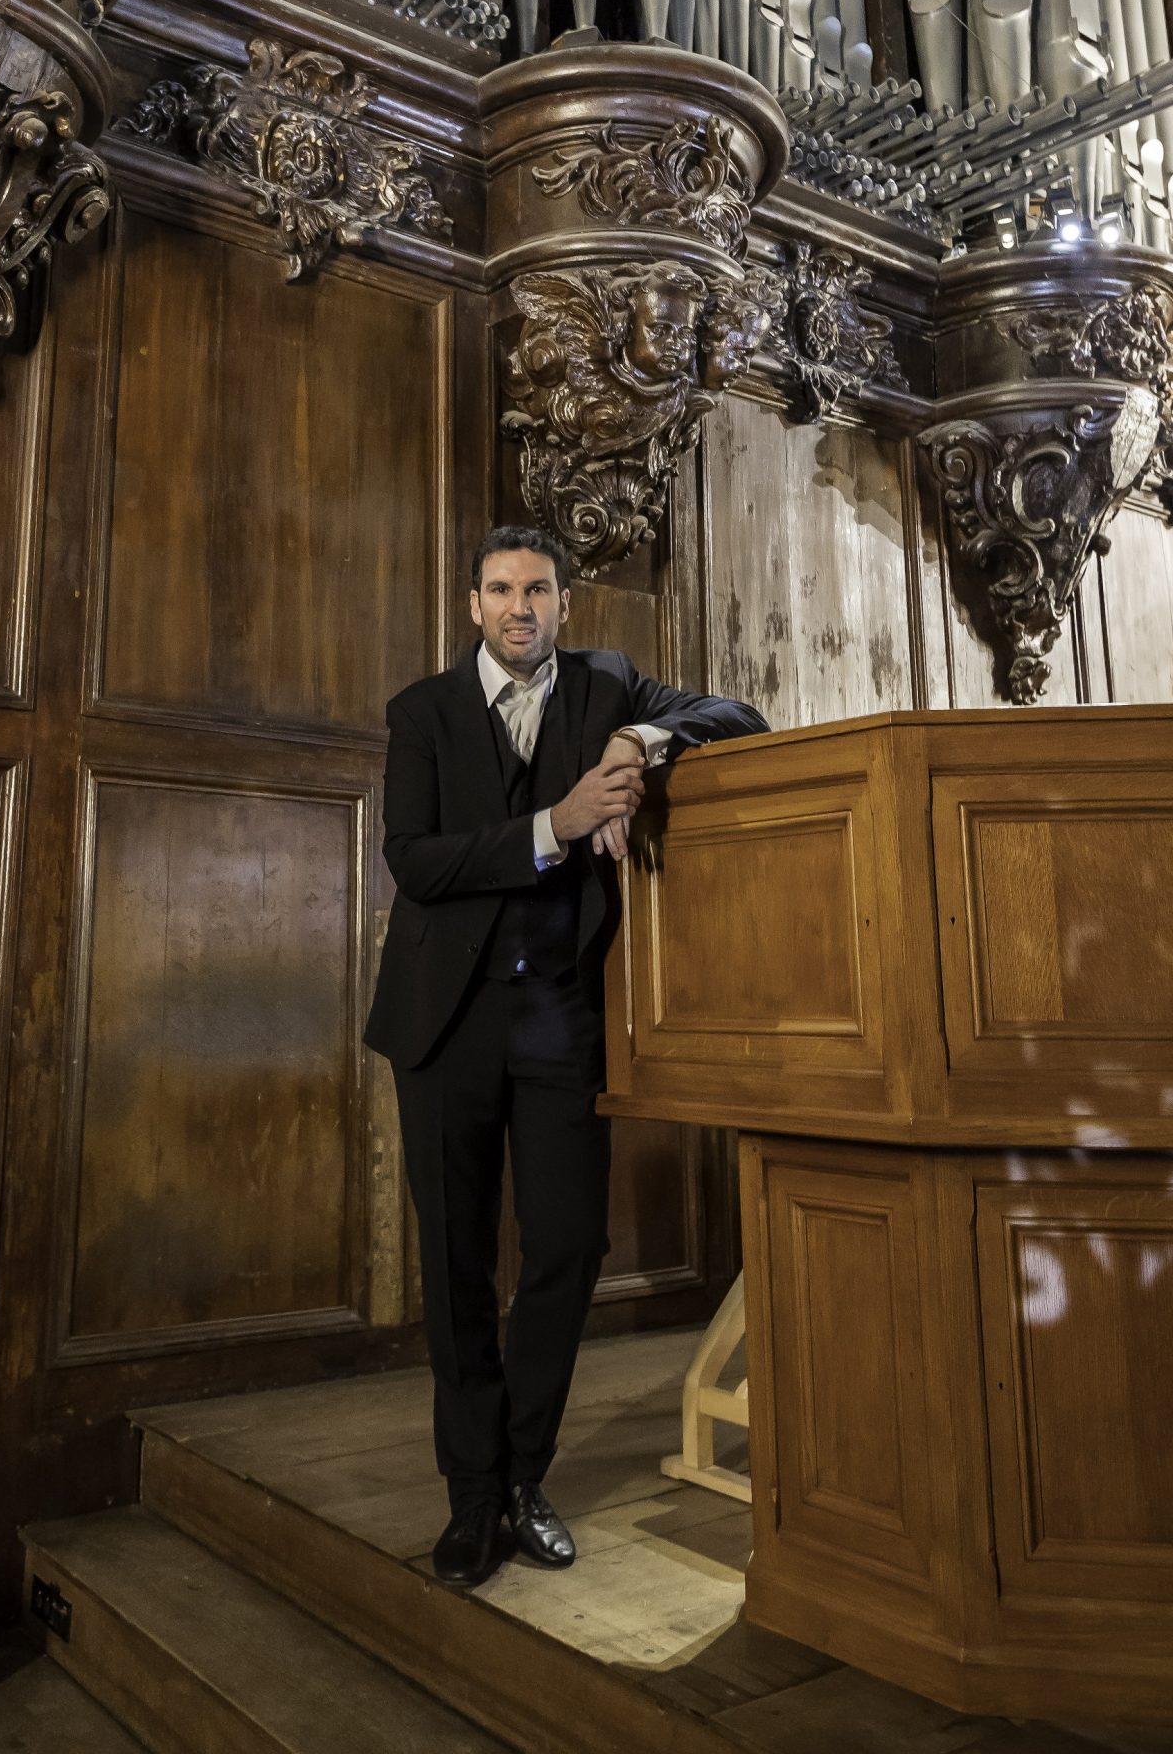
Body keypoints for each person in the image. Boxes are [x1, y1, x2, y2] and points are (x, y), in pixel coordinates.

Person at [365, 524, 769, 1590]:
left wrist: (640, 743)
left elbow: (738, 714)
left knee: (569, 1247)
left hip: (556, 1019)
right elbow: (413, 860)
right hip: (441, 1026)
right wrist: (554, 821)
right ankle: (469, 1503)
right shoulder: (422, 713)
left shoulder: (604, 687)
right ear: (471, 605)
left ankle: (518, 1478)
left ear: (563, 602)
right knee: (454, 1269)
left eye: (536, 589)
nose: (518, 607)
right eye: (499, 590)